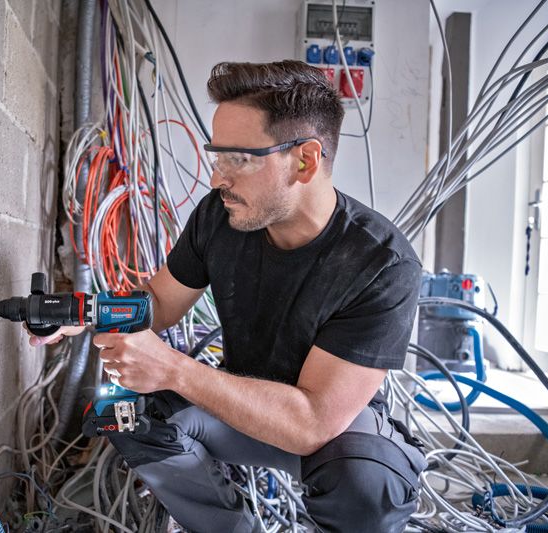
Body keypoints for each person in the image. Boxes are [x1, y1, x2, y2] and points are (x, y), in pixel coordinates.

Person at [29, 59, 426, 533]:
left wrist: (174, 368)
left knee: (368, 483)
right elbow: (158, 302)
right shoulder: (220, 216)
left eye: (238, 159)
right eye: (217, 157)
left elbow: (312, 423)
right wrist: (89, 312)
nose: (218, 178)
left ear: (305, 161)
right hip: (232, 409)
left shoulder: (382, 263)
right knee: (124, 415)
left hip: (330, 435)